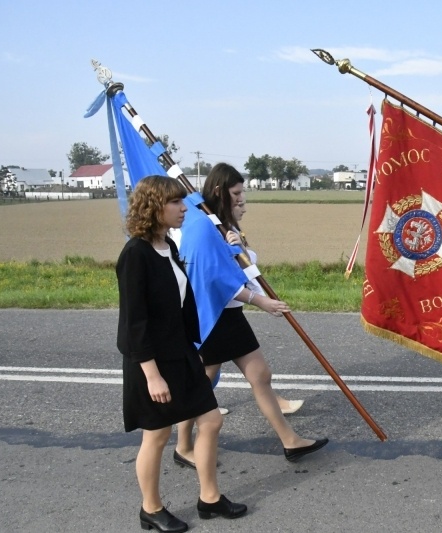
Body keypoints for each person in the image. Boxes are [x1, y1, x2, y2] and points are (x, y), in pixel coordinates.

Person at [174, 163, 327, 467]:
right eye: (236, 192)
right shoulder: (204, 226)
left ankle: (290, 441)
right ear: (219, 191)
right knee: (202, 385)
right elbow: (213, 279)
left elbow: (238, 265)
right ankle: (182, 446)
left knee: (259, 375)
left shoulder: (218, 224)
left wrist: (237, 245)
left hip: (229, 314)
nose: (242, 198)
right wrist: (261, 301)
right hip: (213, 316)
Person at [117, 176, 246, 532]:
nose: (183, 208)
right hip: (152, 361)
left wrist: (195, 343)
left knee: (211, 420)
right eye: (175, 203)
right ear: (154, 207)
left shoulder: (167, 248)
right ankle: (151, 508)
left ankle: (209, 498)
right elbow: (133, 322)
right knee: (156, 436)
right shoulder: (135, 255)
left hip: (182, 353)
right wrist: (152, 374)